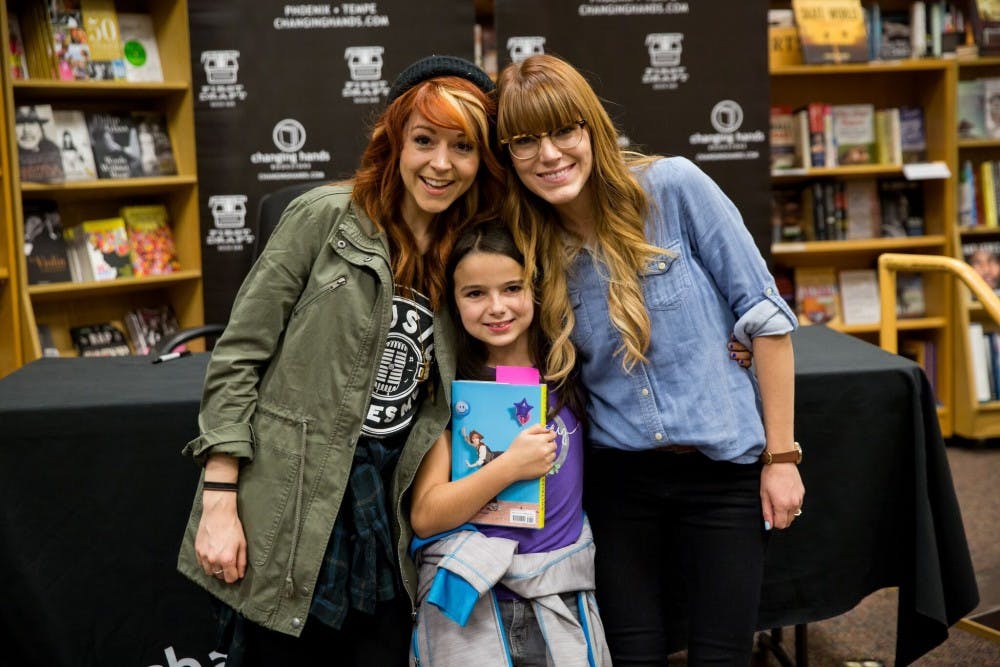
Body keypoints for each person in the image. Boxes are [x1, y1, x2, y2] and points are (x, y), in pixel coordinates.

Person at [176, 55, 504, 666]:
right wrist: (220, 499)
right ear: (395, 142)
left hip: (387, 505)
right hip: (296, 495)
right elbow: (239, 354)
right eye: (424, 140)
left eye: (462, 146)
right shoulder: (324, 217)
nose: (441, 163)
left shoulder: (468, 251)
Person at [495, 54, 805, 666]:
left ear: (592, 130)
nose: (550, 154)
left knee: (721, 655)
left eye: (564, 130)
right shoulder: (527, 243)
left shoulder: (674, 188)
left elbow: (765, 321)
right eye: (525, 141)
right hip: (618, 484)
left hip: (724, 474)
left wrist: (783, 456)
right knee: (630, 656)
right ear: (506, 156)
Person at [407, 220, 611, 666]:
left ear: (535, 289)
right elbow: (425, 516)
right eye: (475, 293)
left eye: (512, 288)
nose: (496, 308)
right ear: (454, 300)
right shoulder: (450, 391)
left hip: (560, 592)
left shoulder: (569, 370)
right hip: (476, 602)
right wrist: (508, 466)